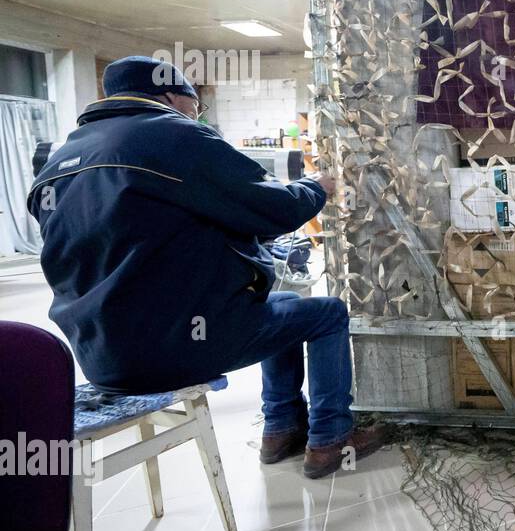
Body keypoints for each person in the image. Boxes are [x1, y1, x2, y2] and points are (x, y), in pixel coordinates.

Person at [26, 55, 384, 479]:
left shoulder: (61, 156)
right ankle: (330, 439)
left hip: (99, 354)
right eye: (195, 107)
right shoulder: (173, 135)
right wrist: (315, 188)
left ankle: (281, 429)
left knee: (282, 305)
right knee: (327, 314)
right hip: (173, 345)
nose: (196, 116)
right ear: (173, 97)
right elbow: (271, 209)